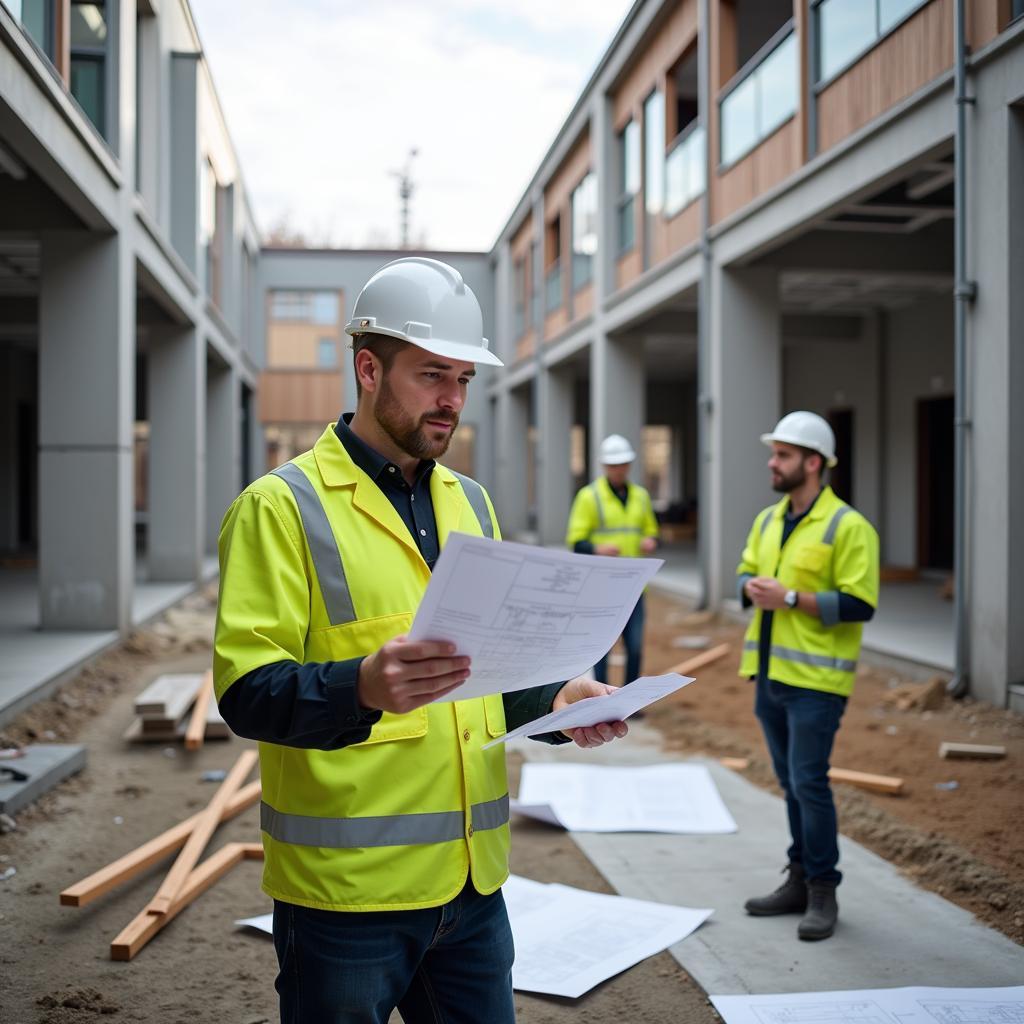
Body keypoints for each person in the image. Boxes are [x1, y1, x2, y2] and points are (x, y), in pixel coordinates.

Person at [213, 256, 629, 1024]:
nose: (452, 400)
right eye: (432, 375)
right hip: (347, 900)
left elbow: (485, 680)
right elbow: (247, 695)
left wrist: (559, 697)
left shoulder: (470, 501)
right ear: (368, 369)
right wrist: (361, 686)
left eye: (464, 379)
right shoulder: (280, 508)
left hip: (473, 891)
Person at [736, 411, 879, 941]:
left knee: (809, 784)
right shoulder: (768, 520)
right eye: (774, 454)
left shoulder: (849, 526)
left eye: (783, 455)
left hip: (817, 686)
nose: (772, 463)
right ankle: (798, 879)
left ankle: (823, 889)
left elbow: (861, 603)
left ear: (813, 463)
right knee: (791, 784)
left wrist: (791, 598)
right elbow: (745, 571)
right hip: (769, 675)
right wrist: (750, 585)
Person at [566, 434, 659, 687]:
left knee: (636, 646)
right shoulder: (589, 497)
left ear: (629, 464)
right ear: (605, 466)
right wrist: (597, 548)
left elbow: (651, 529)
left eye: (623, 464)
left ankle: (629, 698)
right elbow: (576, 542)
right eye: (613, 465)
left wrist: (650, 539)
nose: (619, 469)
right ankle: (602, 697)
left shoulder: (640, 496)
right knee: (601, 649)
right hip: (602, 588)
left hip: (635, 586)